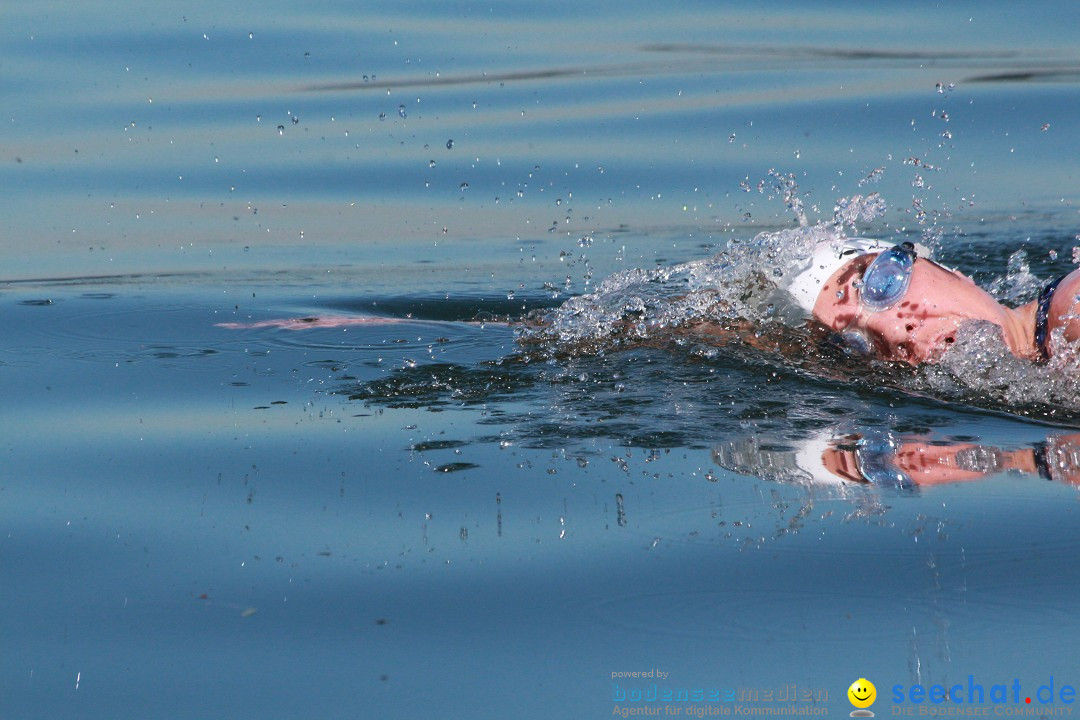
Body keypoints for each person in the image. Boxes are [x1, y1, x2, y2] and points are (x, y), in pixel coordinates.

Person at [782, 237, 1080, 365]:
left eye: (882, 284)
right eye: (858, 341)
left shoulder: (1071, 307)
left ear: (954, 273)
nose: (896, 332)